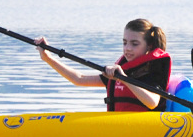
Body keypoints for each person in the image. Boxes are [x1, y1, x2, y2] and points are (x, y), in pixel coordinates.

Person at [35, 19, 171, 111]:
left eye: (134, 44)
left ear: (150, 45)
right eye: (124, 42)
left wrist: (123, 78)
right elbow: (79, 79)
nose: (127, 48)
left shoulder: (154, 69)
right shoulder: (123, 69)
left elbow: (152, 102)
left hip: (147, 129)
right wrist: (48, 58)